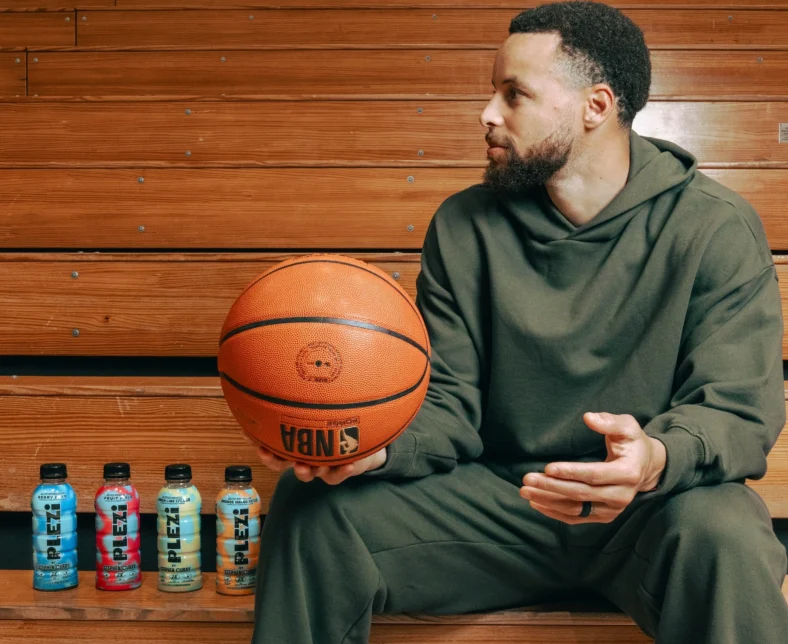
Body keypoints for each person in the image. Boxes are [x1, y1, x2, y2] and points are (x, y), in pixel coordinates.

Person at [249, 2, 788, 642]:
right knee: (312, 507)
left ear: (596, 106)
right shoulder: (464, 225)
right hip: (498, 510)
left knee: (726, 531)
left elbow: (736, 409)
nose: (488, 114)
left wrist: (654, 458)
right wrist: (371, 445)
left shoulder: (713, 226)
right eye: (491, 92)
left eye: (515, 94)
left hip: (646, 509)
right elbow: (447, 401)